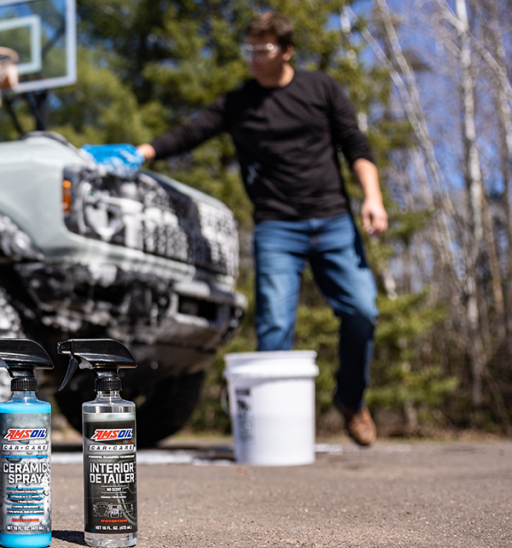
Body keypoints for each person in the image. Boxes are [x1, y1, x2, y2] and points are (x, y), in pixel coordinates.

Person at [136, 11, 387, 446]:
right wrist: (143, 151)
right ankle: (276, 432)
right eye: (249, 50)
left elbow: (355, 144)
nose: (254, 58)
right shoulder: (240, 102)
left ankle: (350, 400)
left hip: (333, 222)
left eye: (263, 50)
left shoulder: (320, 88)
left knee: (362, 312)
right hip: (276, 228)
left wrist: (373, 196)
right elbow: (193, 132)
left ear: (286, 50)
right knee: (273, 325)